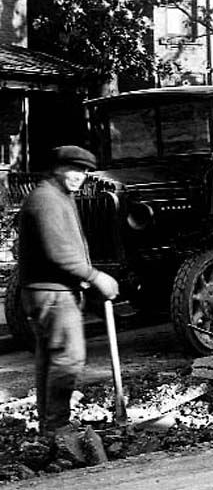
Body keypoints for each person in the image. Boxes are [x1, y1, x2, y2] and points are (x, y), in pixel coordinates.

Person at [18, 145, 119, 454]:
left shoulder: (58, 196)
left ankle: (49, 427)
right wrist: (95, 276)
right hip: (52, 292)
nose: (79, 176)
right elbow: (59, 252)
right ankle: (57, 426)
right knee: (68, 358)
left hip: (50, 290)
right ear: (57, 169)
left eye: (84, 171)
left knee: (51, 358)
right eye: (73, 169)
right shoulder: (47, 200)